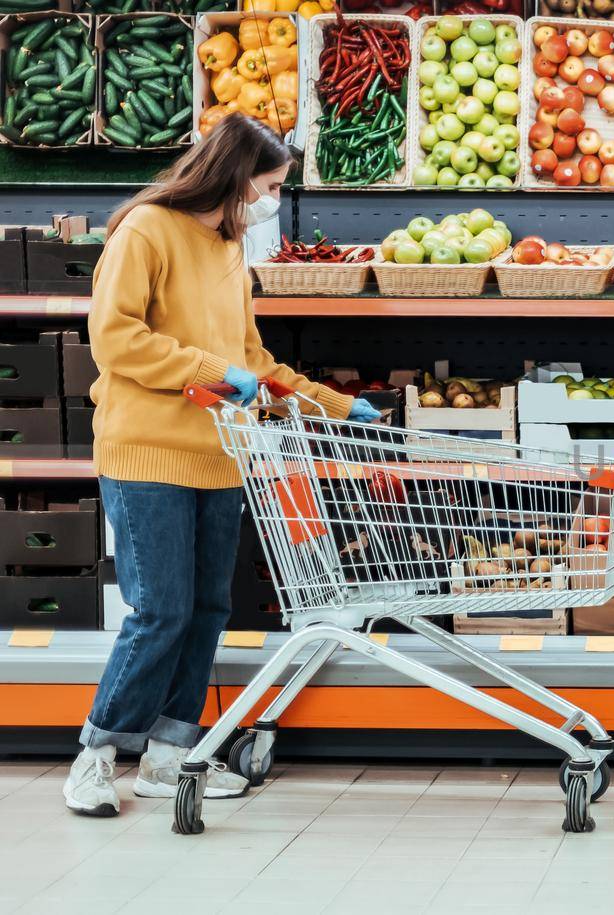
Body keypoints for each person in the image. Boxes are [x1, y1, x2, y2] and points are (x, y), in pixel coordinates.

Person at [63, 114, 381, 817]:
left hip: (217, 454)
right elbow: (116, 340)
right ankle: (97, 753)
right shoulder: (145, 230)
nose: (271, 200)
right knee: (161, 610)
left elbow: (253, 359)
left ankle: (170, 754)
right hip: (146, 451)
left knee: (207, 607)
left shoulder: (227, 248)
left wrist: (332, 404)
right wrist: (208, 370)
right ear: (235, 178)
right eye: (268, 186)